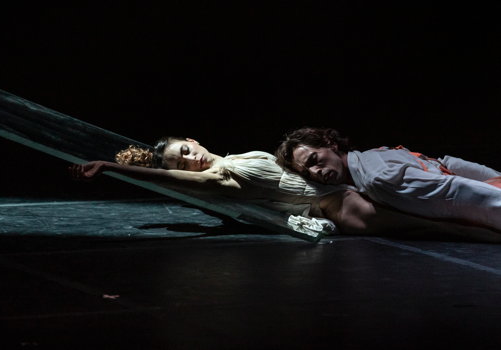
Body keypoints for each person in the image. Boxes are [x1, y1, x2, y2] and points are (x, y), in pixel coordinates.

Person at [69, 135, 501, 242]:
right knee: (446, 228)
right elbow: (187, 181)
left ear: (193, 138)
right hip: (338, 205)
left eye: (185, 149)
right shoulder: (220, 176)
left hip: (347, 191)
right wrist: (114, 168)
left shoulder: (237, 157)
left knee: (446, 210)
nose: (188, 160)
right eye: (180, 163)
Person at [275, 126, 501, 233]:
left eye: (314, 159)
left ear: (330, 144)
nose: (314, 172)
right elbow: (443, 163)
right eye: (306, 172)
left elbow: (454, 192)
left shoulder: (378, 178)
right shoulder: (370, 159)